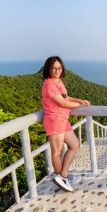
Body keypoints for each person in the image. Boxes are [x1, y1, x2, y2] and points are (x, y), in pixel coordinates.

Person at [41, 56, 90, 192]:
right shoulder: (49, 84)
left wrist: (79, 100)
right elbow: (63, 103)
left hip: (63, 119)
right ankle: (62, 178)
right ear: (48, 69)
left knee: (74, 144)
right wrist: (77, 105)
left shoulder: (58, 82)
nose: (57, 70)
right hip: (54, 119)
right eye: (54, 68)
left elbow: (65, 98)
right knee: (56, 152)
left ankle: (64, 176)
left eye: (60, 68)